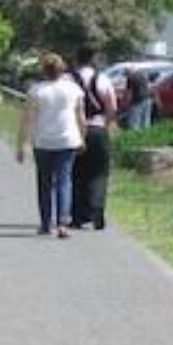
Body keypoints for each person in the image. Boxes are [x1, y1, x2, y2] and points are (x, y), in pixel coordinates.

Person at [18, 53, 85, 238]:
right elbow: (80, 116)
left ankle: (46, 223)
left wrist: (22, 144)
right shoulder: (73, 89)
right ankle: (63, 223)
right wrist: (82, 137)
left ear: (43, 70)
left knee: (44, 183)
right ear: (62, 69)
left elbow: (27, 120)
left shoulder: (36, 91)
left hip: (43, 141)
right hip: (67, 139)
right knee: (64, 181)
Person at [67, 46, 118, 230]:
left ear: (76, 59)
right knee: (98, 173)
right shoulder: (102, 78)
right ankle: (97, 213)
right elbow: (111, 106)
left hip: (74, 130)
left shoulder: (69, 79)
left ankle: (77, 216)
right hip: (97, 128)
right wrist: (107, 124)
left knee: (75, 173)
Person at [123, 65, 155, 131]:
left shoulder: (131, 78)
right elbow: (150, 87)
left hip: (137, 100)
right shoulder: (143, 75)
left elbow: (129, 92)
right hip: (148, 99)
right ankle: (146, 137)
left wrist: (126, 102)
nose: (126, 76)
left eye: (126, 74)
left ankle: (134, 137)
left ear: (129, 72)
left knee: (134, 122)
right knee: (145, 121)